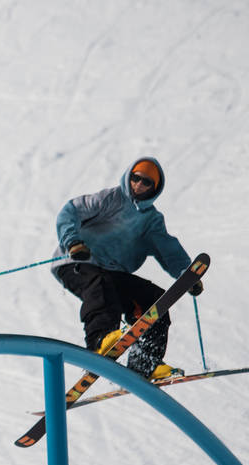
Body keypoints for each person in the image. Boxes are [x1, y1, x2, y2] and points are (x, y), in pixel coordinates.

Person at [50, 157, 202, 380]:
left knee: (155, 299)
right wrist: (73, 242)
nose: (138, 185)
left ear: (155, 188)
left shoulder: (152, 221)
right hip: (76, 263)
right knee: (100, 284)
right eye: (135, 178)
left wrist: (186, 275)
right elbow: (70, 210)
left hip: (113, 274)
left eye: (146, 182)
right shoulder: (111, 199)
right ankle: (100, 341)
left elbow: (168, 248)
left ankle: (145, 363)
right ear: (129, 176)